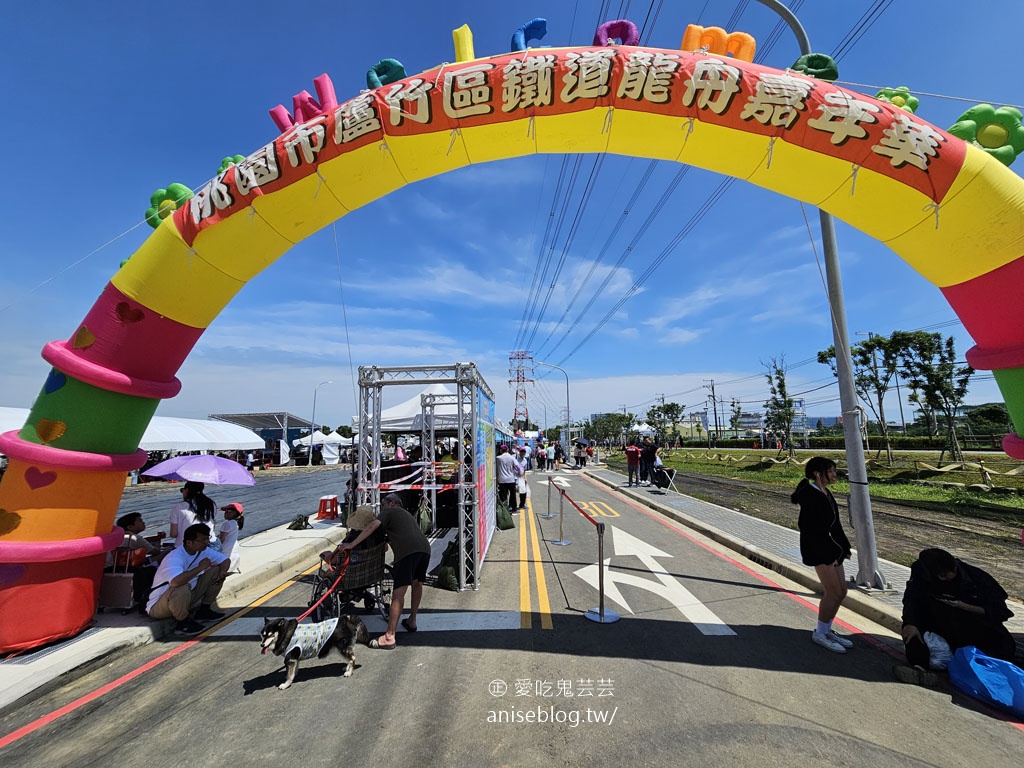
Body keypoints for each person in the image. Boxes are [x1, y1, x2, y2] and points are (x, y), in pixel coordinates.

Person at [895, 547, 1016, 685]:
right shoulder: (921, 571)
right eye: (941, 576)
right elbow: (912, 598)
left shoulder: (976, 578)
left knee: (997, 650)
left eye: (949, 574)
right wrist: (910, 623)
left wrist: (964, 606)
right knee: (912, 632)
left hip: (969, 622)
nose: (946, 578)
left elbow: (1000, 612)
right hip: (936, 619)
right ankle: (919, 670)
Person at [335, 493, 430, 649]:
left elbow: (372, 526)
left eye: (384, 504)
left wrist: (351, 544)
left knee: (398, 593)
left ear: (391, 503)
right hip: (424, 549)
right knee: (417, 584)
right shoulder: (406, 515)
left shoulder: (390, 511)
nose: (382, 508)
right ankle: (412, 620)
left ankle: (389, 636)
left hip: (407, 552)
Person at [791, 456, 853, 654]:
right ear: (818, 474)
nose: (835, 475)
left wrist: (844, 547)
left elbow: (835, 524)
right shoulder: (811, 496)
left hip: (834, 550)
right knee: (832, 593)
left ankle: (826, 629)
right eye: (831, 471)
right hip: (820, 551)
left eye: (835, 470)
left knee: (842, 592)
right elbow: (808, 529)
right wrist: (826, 550)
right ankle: (820, 633)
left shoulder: (825, 492)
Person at [147, 523, 230, 636]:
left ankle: (204, 610)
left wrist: (222, 573)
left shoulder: (203, 551)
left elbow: (225, 560)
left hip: (186, 596)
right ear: (189, 542)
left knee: (216, 571)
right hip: (159, 605)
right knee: (181, 586)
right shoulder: (174, 557)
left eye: (207, 539)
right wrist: (200, 568)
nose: (206, 543)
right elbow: (175, 582)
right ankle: (183, 622)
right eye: (202, 540)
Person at [169, 480, 217, 549]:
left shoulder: (179, 507)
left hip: (186, 546)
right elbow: (213, 526)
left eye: (182, 490)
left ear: (187, 490)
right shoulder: (211, 504)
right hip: (210, 544)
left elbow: (173, 534)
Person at [218, 503, 244, 574]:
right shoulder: (235, 523)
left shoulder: (227, 523)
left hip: (225, 549)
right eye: (225, 511)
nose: (225, 512)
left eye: (228, 511)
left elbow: (221, 539)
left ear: (235, 513)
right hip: (232, 549)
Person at [496, 444, 519, 512]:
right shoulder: (512, 458)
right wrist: (519, 474)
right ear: (508, 450)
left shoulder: (498, 458)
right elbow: (518, 467)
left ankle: (504, 509)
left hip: (502, 479)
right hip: (511, 479)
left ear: (500, 450)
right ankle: (513, 508)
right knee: (512, 495)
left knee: (503, 495)